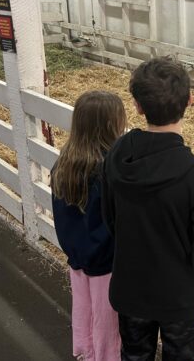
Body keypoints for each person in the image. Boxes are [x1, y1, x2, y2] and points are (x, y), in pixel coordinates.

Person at [102, 57, 194, 361]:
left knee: (134, 355)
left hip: (130, 288)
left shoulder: (118, 154)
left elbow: (109, 218)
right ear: (190, 100)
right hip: (178, 298)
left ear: (137, 106)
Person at [51, 90, 127, 361]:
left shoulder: (63, 165)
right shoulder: (109, 171)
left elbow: (61, 216)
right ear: (110, 125)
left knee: (83, 311)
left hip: (77, 258)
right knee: (107, 325)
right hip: (106, 263)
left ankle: (85, 353)